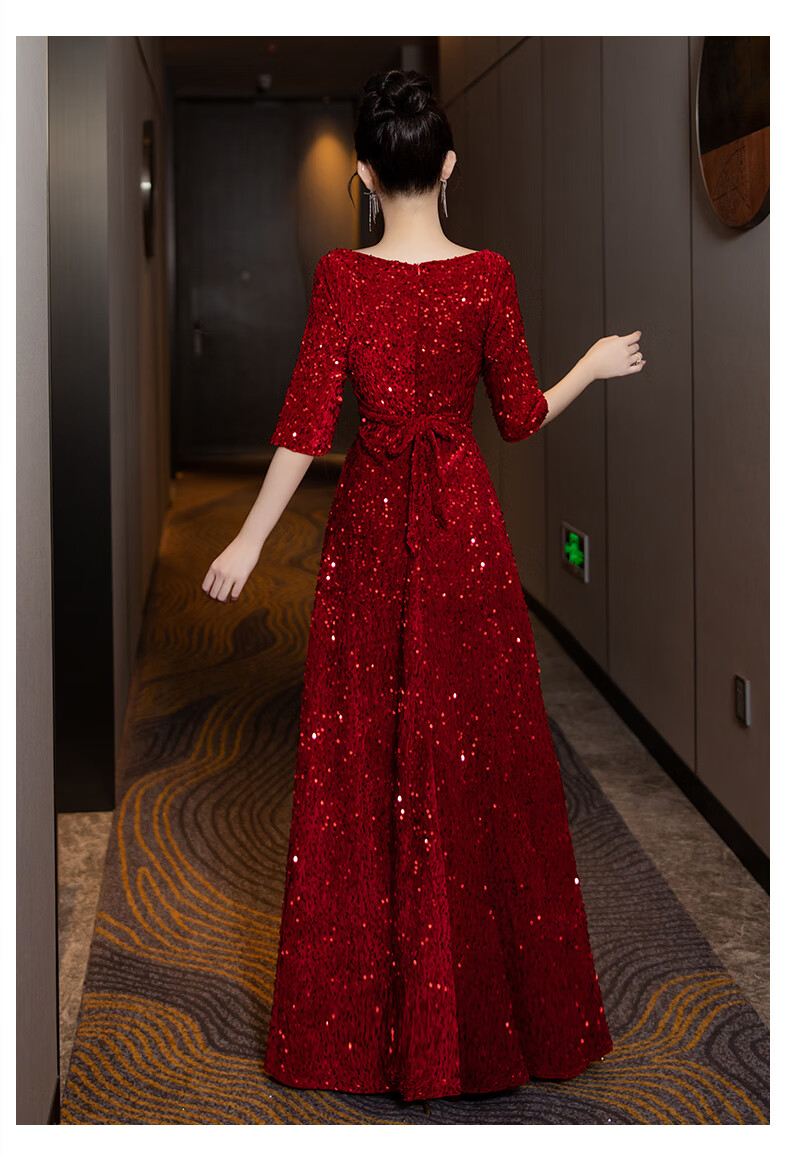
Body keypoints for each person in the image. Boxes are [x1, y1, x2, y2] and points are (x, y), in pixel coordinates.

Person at [201, 68, 645, 1105]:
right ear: (448, 166)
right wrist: (588, 365)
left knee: (364, 757)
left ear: (362, 175)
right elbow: (520, 418)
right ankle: (487, 1025)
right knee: (476, 752)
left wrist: (249, 540)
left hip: (368, 529)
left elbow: (305, 424)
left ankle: (362, 1029)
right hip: (462, 529)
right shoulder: (488, 275)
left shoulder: (340, 278)